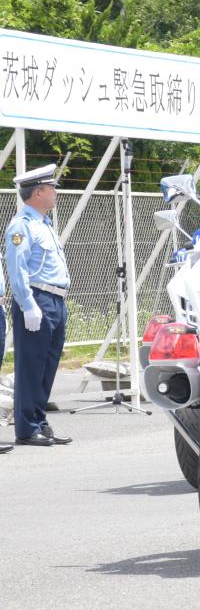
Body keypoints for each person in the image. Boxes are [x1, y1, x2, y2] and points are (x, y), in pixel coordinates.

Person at [6, 164, 72, 447]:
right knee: (31, 366)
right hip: (37, 299)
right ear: (38, 192)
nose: (55, 192)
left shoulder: (44, 224)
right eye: (51, 188)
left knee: (47, 366)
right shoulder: (21, 225)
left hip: (56, 300)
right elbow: (16, 267)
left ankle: (39, 420)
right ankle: (26, 427)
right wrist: (27, 303)